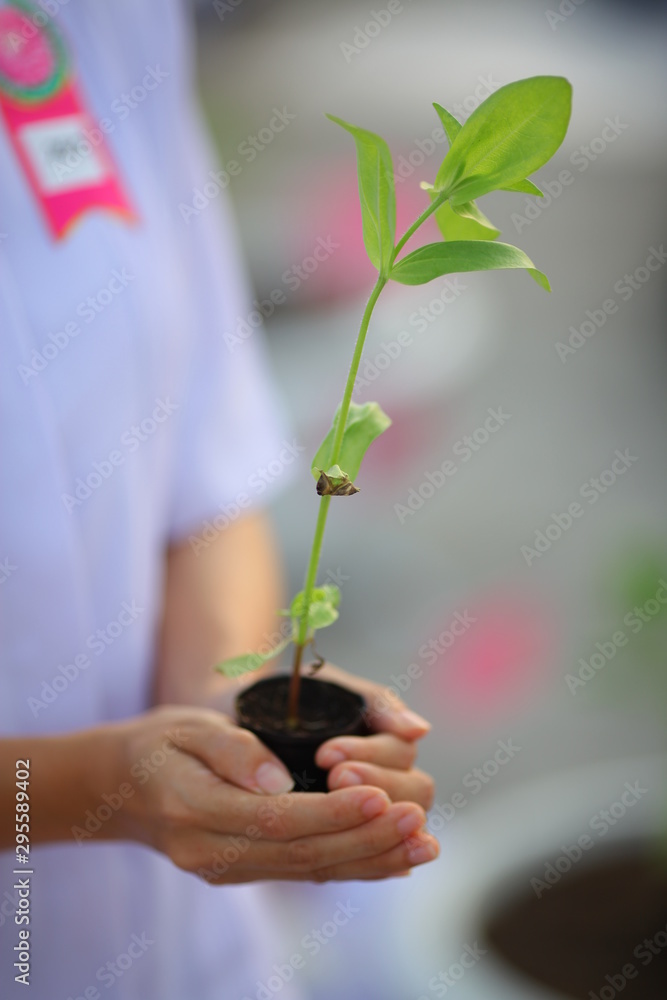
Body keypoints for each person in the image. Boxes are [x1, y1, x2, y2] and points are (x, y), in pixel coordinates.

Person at [0, 2, 438, 997]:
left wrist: (224, 714)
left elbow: (201, 475)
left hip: (177, 953)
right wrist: (100, 792)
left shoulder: (96, 22)